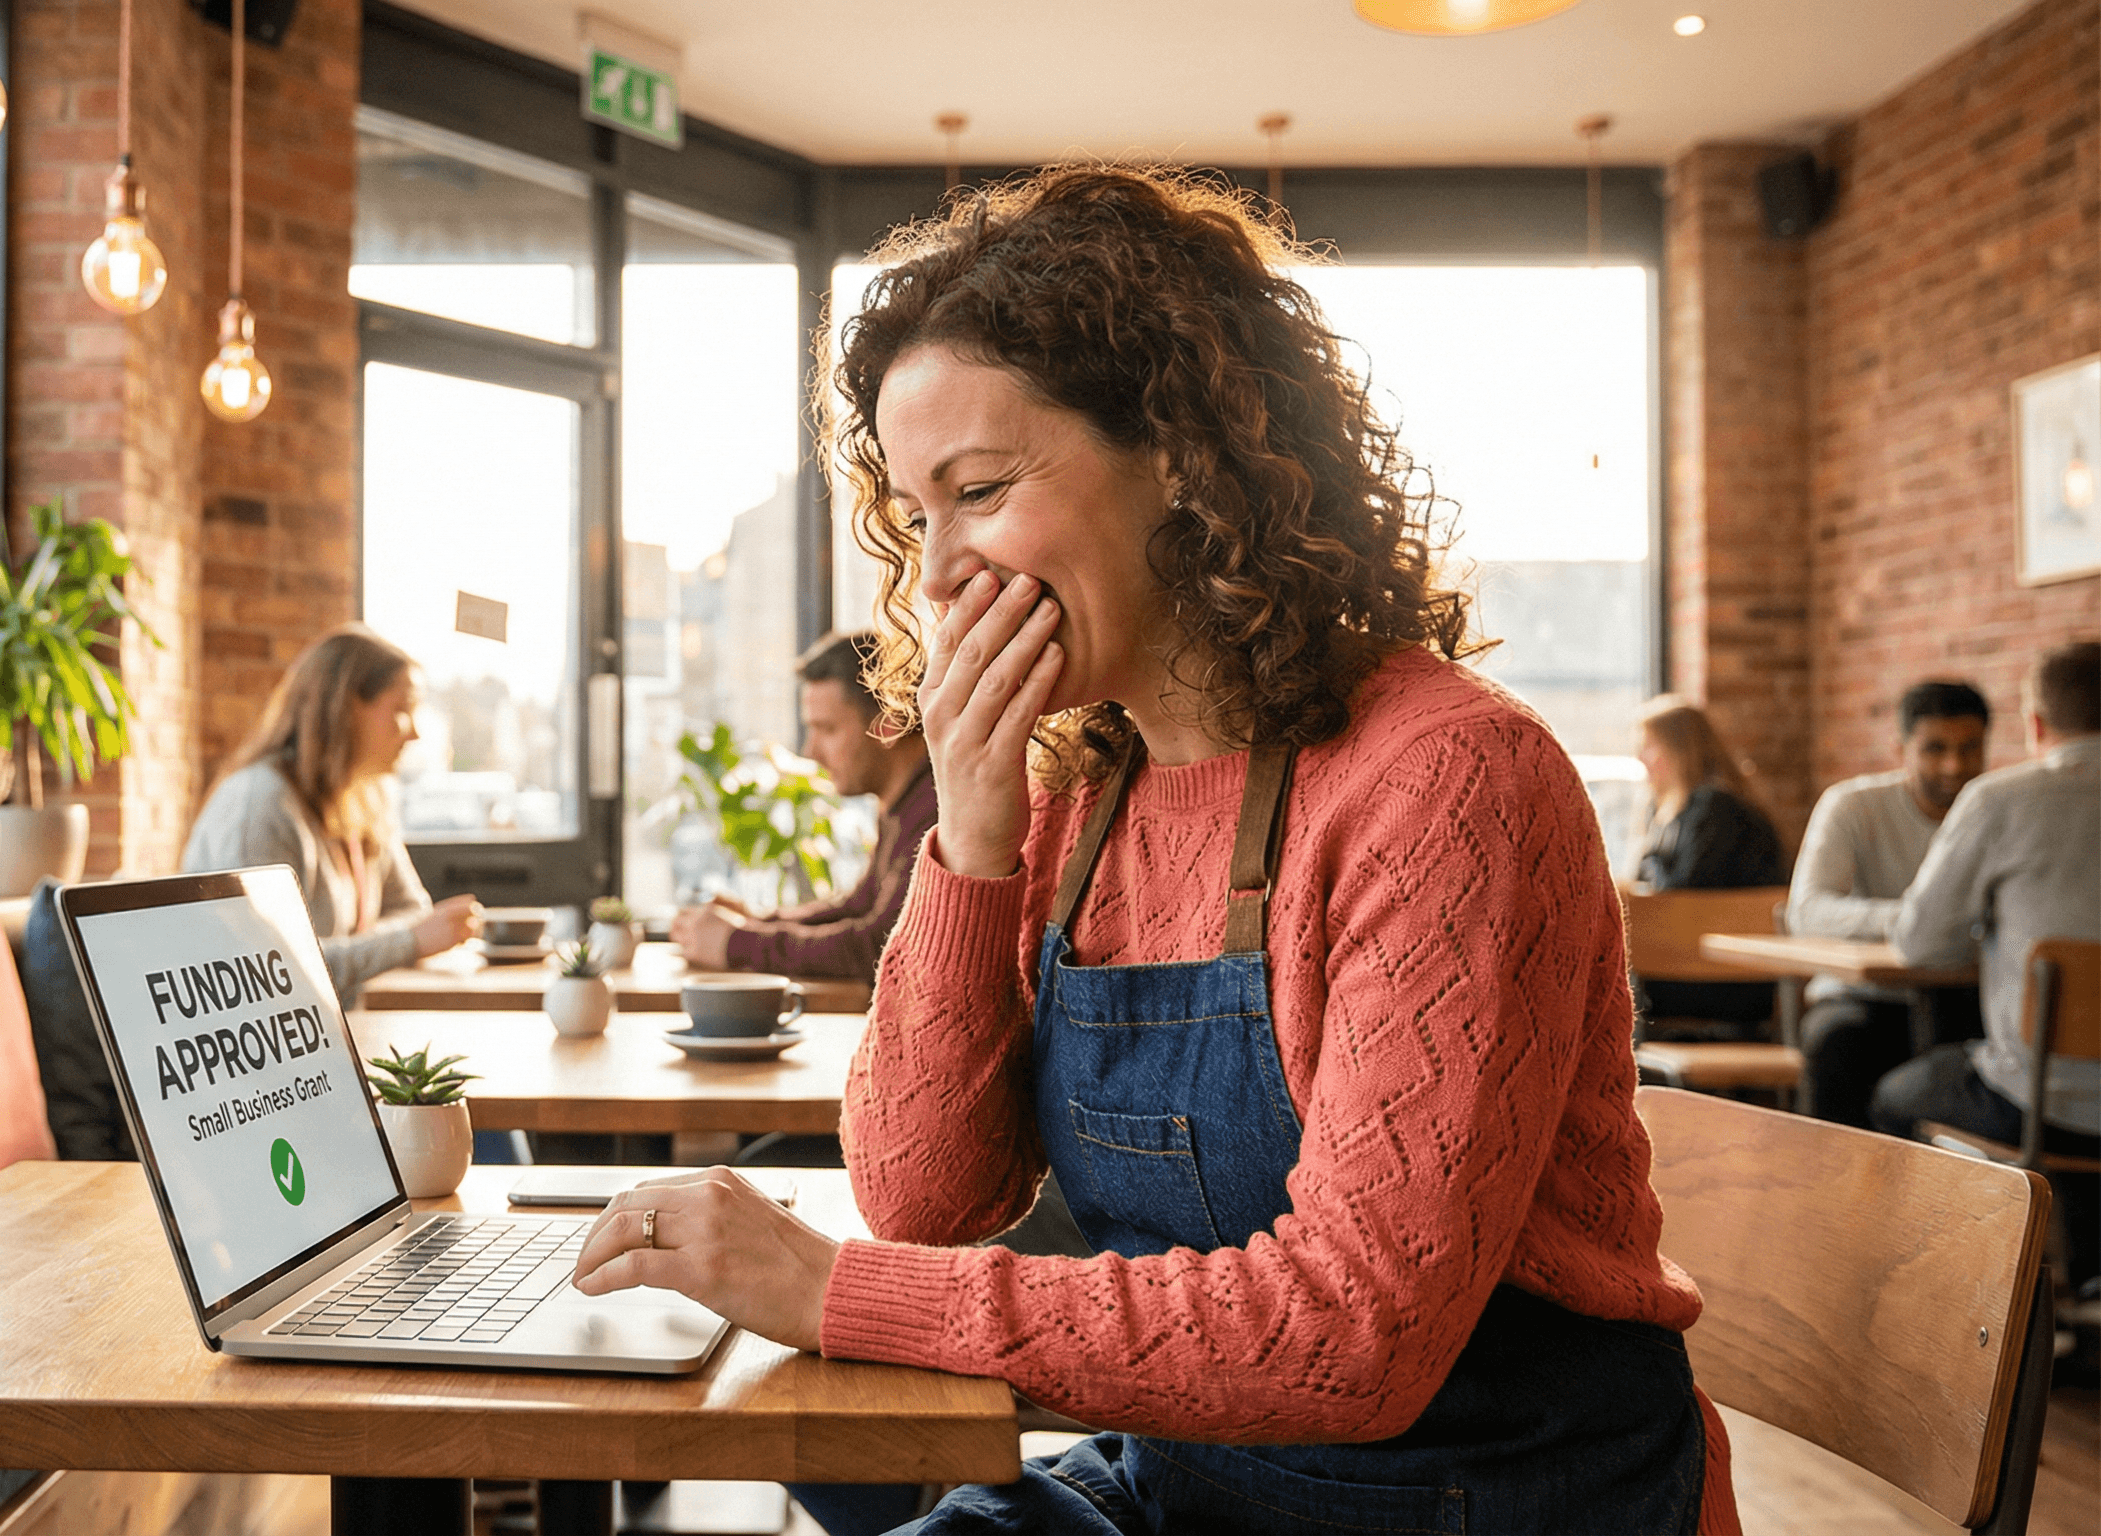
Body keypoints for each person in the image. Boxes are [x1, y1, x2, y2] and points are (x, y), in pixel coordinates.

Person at [564, 166, 1732, 1536]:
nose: (935, 575)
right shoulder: (1081, 788)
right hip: (1187, 1480)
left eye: (981, 488)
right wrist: (972, 839)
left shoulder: (1450, 778)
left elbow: (1354, 1334)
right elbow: (930, 1199)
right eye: (915, 512)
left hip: (1494, 1505)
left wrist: (830, 1290)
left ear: (1179, 453)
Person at [1875, 640, 2100, 1283]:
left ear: (2034, 723)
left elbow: (1919, 942)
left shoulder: (2001, 799)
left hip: (2039, 1100)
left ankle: (1960, 1304)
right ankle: (2081, 1277)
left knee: (1894, 1094)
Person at [181, 625, 479, 1006]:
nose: (415, 734)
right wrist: (407, 942)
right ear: (343, 709)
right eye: (402, 710)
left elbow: (410, 909)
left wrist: (375, 946)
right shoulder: (259, 806)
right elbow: (266, 976)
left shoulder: (364, 797)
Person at [670, 632, 938, 980]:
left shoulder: (935, 810)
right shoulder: (902, 805)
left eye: (826, 729)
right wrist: (756, 921)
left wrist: (738, 943)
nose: (811, 752)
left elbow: (877, 946)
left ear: (890, 723)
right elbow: (858, 908)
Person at [1788, 681, 1991, 1125]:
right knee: (1835, 1041)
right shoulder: (1853, 806)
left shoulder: (1997, 811)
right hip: (1863, 995)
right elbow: (1806, 911)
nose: (1954, 764)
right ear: (1902, 749)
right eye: (1935, 749)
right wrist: (1915, 920)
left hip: (1966, 995)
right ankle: (1837, 1191)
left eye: (1970, 748)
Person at [1633, 696, 1790, 1035]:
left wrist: (1648, 863)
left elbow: (1681, 900)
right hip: (1709, 975)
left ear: (1679, 749)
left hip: (1721, 979)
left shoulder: (1714, 808)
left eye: (1649, 745)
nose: (1640, 757)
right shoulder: (1679, 811)